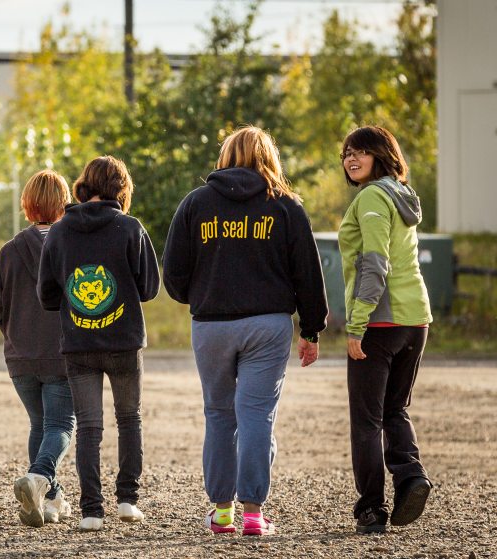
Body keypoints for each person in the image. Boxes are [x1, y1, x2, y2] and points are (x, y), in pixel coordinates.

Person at [163, 126, 327, 537]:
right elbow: (308, 272)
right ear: (268, 157)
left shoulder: (195, 203)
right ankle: (253, 514)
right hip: (268, 326)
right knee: (256, 416)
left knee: (219, 415)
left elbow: (174, 274)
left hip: (211, 325)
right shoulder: (285, 207)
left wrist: (198, 295)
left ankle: (221, 513)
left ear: (225, 156)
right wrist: (311, 328)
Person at [38, 155, 160, 531]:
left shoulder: (58, 231)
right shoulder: (130, 228)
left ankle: (92, 511)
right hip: (124, 341)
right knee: (129, 419)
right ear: (121, 190)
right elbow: (149, 288)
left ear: (84, 186)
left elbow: (47, 295)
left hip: (79, 343)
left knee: (89, 427)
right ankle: (127, 500)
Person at [338, 125, 432, 534]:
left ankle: (371, 510)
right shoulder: (401, 194)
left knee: (366, 420)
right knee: (394, 409)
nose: (351, 158)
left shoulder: (373, 196)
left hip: (382, 321)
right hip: (416, 321)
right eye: (346, 153)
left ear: (381, 154)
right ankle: (411, 478)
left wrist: (357, 326)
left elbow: (375, 264)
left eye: (360, 151)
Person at [0, 170, 76, 528]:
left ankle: (50, 500)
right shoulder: (71, 247)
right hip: (61, 352)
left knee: (40, 425)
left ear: (27, 205)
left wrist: (15, 337)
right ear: (64, 205)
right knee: (61, 424)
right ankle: (39, 477)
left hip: (20, 355)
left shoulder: (9, 251)